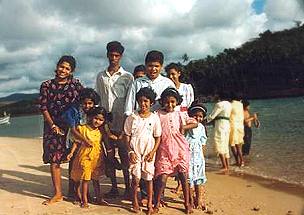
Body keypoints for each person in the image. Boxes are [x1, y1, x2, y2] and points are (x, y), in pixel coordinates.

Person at [38, 55, 83, 205]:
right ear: (57, 66)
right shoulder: (46, 85)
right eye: (61, 67)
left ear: (72, 71)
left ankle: (75, 192)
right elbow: (43, 107)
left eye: (67, 68)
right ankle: (58, 193)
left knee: (74, 157)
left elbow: (84, 102)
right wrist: (52, 125)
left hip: (72, 126)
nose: (63, 70)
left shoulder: (76, 84)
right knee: (54, 158)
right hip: (53, 125)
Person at [95, 41, 133, 198]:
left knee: (124, 155)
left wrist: (127, 124)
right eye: (111, 55)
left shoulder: (127, 77)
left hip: (122, 121)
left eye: (117, 55)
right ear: (107, 55)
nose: (114, 58)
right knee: (110, 156)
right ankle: (114, 187)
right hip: (106, 122)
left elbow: (130, 102)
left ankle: (129, 188)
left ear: (121, 56)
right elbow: (98, 98)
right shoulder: (101, 76)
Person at [154, 87, 197, 214]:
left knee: (183, 175)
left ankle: (187, 203)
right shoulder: (157, 114)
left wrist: (184, 127)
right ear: (162, 102)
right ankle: (156, 202)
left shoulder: (181, 114)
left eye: (173, 102)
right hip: (164, 148)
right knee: (162, 177)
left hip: (180, 148)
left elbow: (195, 122)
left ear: (177, 102)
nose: (170, 104)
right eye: (167, 102)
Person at [124, 87, 162, 214]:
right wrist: (130, 152)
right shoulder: (132, 117)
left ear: (151, 102)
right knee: (135, 179)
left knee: (148, 178)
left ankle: (150, 204)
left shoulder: (154, 117)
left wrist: (152, 152)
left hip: (149, 152)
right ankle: (134, 200)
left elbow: (158, 137)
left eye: (146, 101)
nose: (143, 104)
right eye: (140, 101)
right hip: (135, 150)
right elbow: (127, 135)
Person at [62, 88, 100, 198]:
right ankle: (73, 191)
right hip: (75, 140)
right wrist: (85, 141)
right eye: (85, 103)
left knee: (86, 166)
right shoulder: (73, 111)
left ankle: (84, 192)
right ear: (80, 101)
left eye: (90, 103)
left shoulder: (94, 111)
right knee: (74, 165)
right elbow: (73, 130)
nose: (87, 106)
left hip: (88, 141)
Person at [68, 107, 109, 208]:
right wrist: (71, 153)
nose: (97, 121)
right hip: (85, 157)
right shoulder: (83, 129)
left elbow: (103, 144)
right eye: (96, 118)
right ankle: (84, 200)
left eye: (100, 120)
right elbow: (76, 142)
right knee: (85, 179)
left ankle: (98, 198)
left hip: (97, 158)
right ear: (91, 117)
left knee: (96, 179)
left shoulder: (100, 131)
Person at [125, 50, 175, 116]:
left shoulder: (168, 83)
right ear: (145, 65)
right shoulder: (137, 83)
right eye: (150, 66)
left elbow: (174, 105)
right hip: (140, 120)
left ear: (161, 66)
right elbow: (129, 105)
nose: (153, 69)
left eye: (156, 66)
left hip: (162, 121)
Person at [186, 102, 208, 211]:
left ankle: (198, 199)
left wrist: (202, 157)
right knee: (189, 179)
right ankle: (190, 199)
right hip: (188, 156)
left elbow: (203, 142)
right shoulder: (187, 126)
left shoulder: (202, 128)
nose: (198, 118)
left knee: (199, 179)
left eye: (200, 116)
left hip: (198, 157)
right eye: (195, 115)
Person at [206, 92, 232, 172]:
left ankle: (224, 166)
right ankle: (227, 165)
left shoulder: (219, 104)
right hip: (227, 125)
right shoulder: (229, 104)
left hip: (220, 125)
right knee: (225, 145)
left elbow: (212, 116)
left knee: (219, 143)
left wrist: (204, 121)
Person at [229, 93, 245, 167]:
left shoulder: (231, 105)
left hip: (233, 126)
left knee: (233, 145)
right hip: (240, 126)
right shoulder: (240, 105)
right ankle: (241, 161)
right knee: (239, 145)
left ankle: (238, 161)